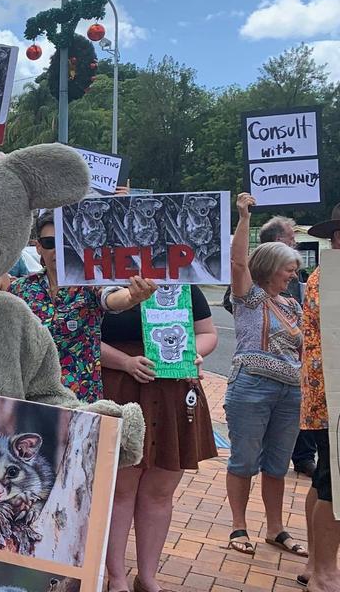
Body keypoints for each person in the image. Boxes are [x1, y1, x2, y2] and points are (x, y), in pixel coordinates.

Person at [100, 284, 218, 592]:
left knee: (161, 490)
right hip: (121, 388)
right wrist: (124, 361)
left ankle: (148, 577)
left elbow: (207, 333)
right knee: (120, 489)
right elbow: (81, 337)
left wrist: (193, 354)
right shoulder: (105, 281)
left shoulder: (183, 284)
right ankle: (117, 578)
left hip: (173, 391)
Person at [224, 192, 307, 558]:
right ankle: (238, 527)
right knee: (243, 459)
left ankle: (276, 529)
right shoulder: (251, 297)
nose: (294, 274)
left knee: (277, 464)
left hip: (290, 392)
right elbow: (238, 264)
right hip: (251, 388)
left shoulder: (292, 303)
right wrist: (244, 217)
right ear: (272, 266)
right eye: (289, 268)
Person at [5, 210, 158, 402]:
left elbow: (111, 299)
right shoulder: (20, 289)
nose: (58, 250)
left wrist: (132, 296)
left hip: (80, 400)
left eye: (65, 242)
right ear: (38, 248)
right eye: (49, 243)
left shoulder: (90, 284)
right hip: (31, 397)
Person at [300, 205, 340, 591]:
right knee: (334, 486)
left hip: (326, 396)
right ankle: (325, 573)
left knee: (325, 481)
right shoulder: (331, 275)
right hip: (334, 397)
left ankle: (317, 564)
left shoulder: (324, 273)